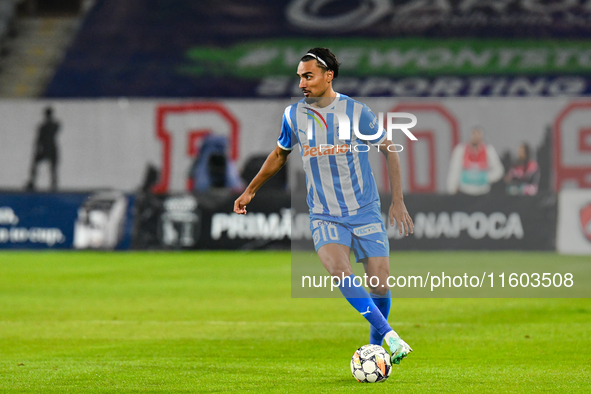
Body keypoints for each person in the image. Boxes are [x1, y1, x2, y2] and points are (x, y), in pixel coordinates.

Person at [233, 48, 414, 365]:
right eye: (300, 77)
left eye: (308, 76)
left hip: (364, 210)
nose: (302, 83)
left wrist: (397, 201)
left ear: (328, 76)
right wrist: (250, 190)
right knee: (339, 270)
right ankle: (390, 336)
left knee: (380, 282)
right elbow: (279, 155)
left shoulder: (356, 113)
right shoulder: (293, 116)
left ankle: (378, 349)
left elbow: (390, 150)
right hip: (324, 215)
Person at [446, 127, 504, 195]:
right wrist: (451, 189)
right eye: (474, 134)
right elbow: (454, 170)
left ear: (482, 137)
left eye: (478, 134)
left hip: (482, 191)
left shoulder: (488, 150)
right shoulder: (461, 150)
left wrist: (486, 177)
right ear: (470, 135)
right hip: (465, 190)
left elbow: (499, 170)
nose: (476, 137)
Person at [26, 106, 60, 191]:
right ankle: (33, 182)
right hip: (49, 149)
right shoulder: (47, 126)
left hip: (49, 149)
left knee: (52, 168)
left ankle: (53, 184)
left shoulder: (49, 126)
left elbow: (40, 139)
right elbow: (39, 139)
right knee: (41, 165)